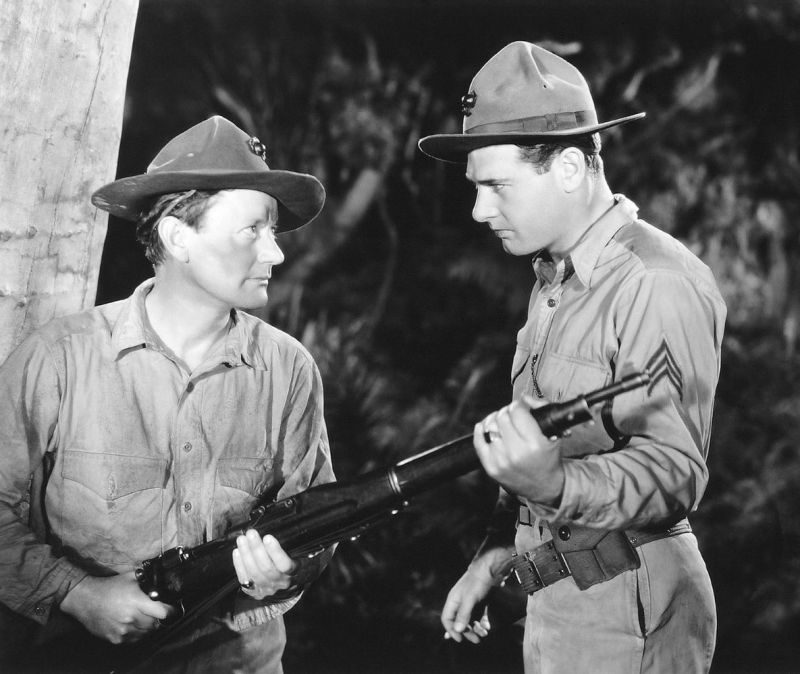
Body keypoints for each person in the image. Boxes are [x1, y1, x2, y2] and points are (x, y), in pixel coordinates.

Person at [418, 42, 725, 673]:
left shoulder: (654, 280)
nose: (479, 210)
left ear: (567, 167)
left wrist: (553, 485)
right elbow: (536, 435)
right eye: (476, 188)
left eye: (496, 186)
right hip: (564, 598)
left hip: (633, 606)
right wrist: (496, 552)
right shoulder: (555, 281)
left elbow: (675, 473)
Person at [0, 115, 335, 674]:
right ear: (178, 237)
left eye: (273, 232)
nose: (275, 253)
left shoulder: (287, 369)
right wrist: (77, 592)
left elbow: (319, 521)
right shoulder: (60, 358)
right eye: (252, 230)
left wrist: (284, 570)